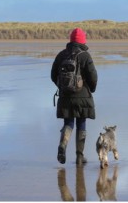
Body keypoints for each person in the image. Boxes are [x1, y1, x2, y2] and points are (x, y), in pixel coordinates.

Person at [51, 28, 98, 165]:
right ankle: (79, 156)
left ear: (71, 40)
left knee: (68, 123)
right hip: (83, 96)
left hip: (65, 97)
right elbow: (93, 77)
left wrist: (62, 87)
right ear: (83, 41)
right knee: (81, 123)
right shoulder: (85, 56)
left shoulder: (61, 55)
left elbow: (53, 75)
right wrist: (91, 90)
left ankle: (62, 146)